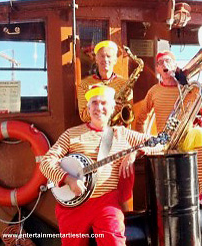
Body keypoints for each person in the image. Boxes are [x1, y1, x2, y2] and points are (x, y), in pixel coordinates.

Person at [39, 84, 163, 246]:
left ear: (112, 108)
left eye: (104, 103)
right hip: (74, 207)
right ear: (88, 109)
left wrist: (136, 152)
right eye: (95, 103)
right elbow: (46, 162)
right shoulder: (71, 134)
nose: (99, 108)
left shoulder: (123, 134)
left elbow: (160, 144)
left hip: (106, 203)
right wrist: (68, 179)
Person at [131, 50, 202, 206]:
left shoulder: (188, 87)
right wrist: (143, 138)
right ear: (158, 69)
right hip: (164, 141)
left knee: (200, 133)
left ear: (174, 65)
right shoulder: (154, 91)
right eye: (160, 63)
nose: (164, 65)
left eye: (168, 61)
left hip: (185, 137)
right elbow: (142, 117)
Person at [76, 40, 128, 123]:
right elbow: (83, 116)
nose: (105, 59)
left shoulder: (124, 83)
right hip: (94, 133)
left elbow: (129, 111)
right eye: (102, 56)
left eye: (108, 56)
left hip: (118, 130)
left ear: (115, 60)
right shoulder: (85, 84)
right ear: (96, 59)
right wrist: (108, 107)